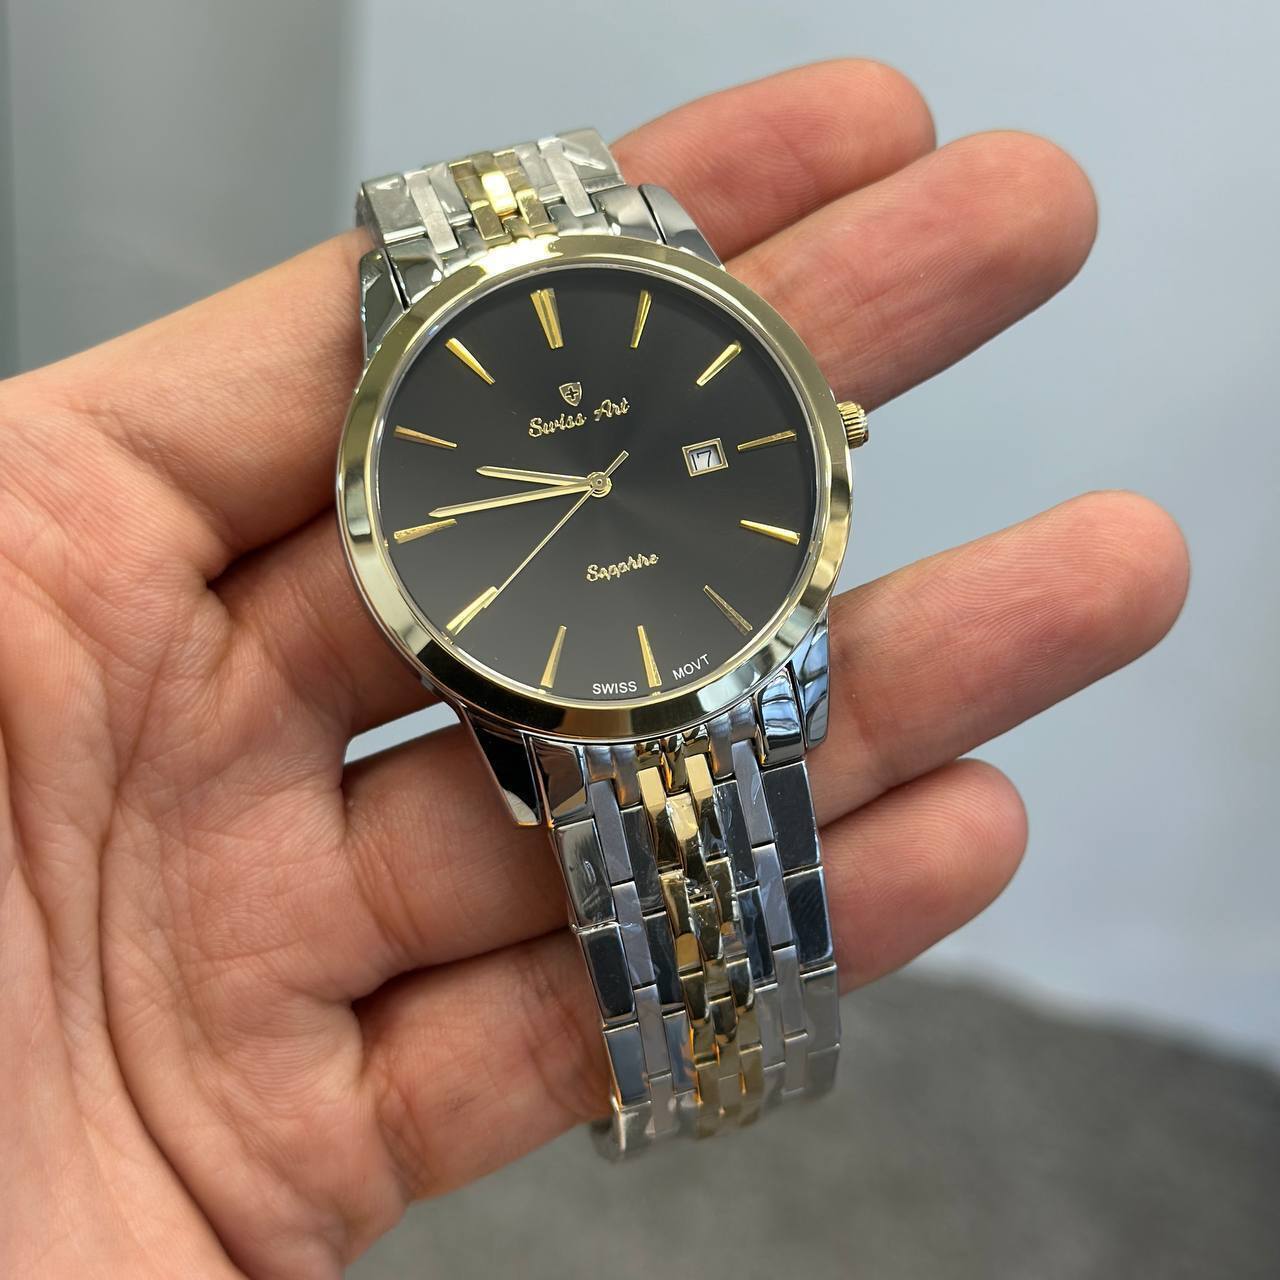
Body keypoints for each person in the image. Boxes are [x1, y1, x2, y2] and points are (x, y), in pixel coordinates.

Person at [0, 60, 1188, 1279]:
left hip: (726, 641)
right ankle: (707, 1065)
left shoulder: (730, 388)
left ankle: (719, 1058)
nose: (598, 480)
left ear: (822, 428)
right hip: (565, 687)